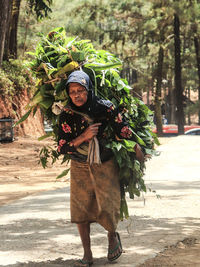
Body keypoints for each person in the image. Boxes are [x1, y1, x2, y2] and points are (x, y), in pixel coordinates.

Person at [57, 70, 144, 267]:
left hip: (105, 160)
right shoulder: (66, 113)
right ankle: (87, 252)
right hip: (79, 162)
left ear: (88, 89)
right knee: (81, 207)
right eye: (72, 92)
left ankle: (112, 236)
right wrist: (83, 137)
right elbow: (62, 147)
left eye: (81, 90)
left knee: (108, 203)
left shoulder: (105, 108)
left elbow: (123, 129)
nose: (77, 95)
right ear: (68, 93)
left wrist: (137, 147)